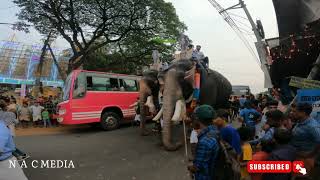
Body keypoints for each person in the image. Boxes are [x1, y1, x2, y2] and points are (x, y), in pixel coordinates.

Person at [187, 105, 219, 180]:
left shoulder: (205, 142)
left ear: (197, 119)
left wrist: (190, 167)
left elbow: (198, 167)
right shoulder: (215, 131)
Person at [290, 103, 320, 178]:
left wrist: (310, 154)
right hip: (298, 155)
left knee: (301, 177)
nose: (292, 113)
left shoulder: (312, 126)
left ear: (303, 113)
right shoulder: (300, 121)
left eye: (295, 111)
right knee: (296, 176)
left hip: (305, 158)